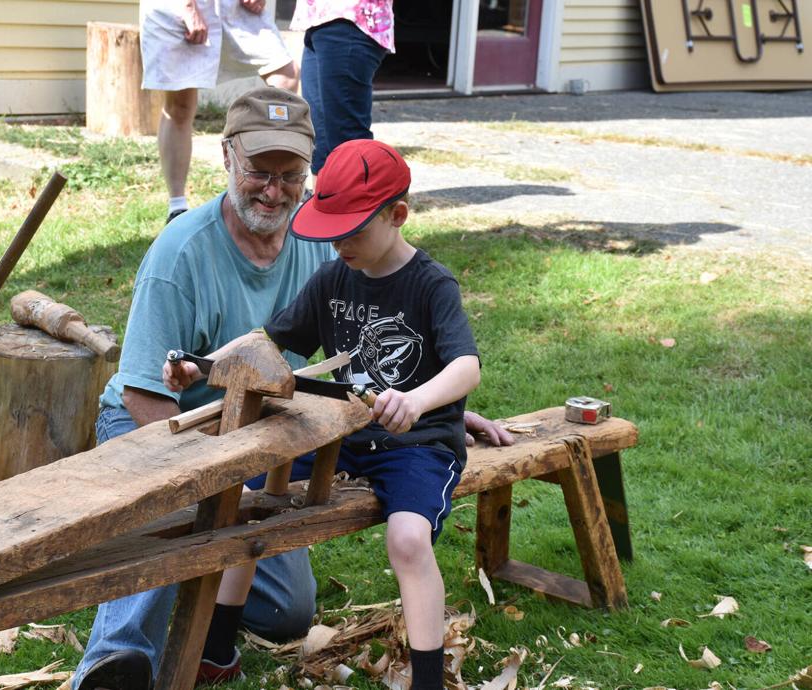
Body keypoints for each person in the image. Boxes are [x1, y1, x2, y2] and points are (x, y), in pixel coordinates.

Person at [75, 89, 512, 689]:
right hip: (159, 419)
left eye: (290, 176)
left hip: (258, 426)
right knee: (176, 508)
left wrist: (433, 403)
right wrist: (203, 437)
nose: (274, 191)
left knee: (287, 611)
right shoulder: (180, 254)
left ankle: (206, 608)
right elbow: (150, 392)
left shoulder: (329, 247)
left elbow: (380, 355)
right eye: (259, 171)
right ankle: (118, 659)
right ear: (227, 158)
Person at [165, 138, 481, 688]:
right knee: (246, 499)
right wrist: (203, 365)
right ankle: (217, 649)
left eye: (352, 231)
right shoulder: (334, 279)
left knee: (407, 540)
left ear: (397, 215)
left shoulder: (433, 285)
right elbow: (269, 340)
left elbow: (467, 367)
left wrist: (416, 400)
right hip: (344, 436)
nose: (338, 245)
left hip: (418, 445)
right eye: (331, 231)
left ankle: (428, 679)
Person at [140, 0, 300, 223]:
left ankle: (265, 184)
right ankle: (177, 208)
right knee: (180, 104)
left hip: (234, 7)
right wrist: (186, 6)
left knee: (285, 76)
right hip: (177, 7)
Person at [290, 0, 393, 176]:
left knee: (347, 142)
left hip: (349, 20)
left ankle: (359, 202)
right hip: (318, 21)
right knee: (320, 141)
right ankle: (323, 201)